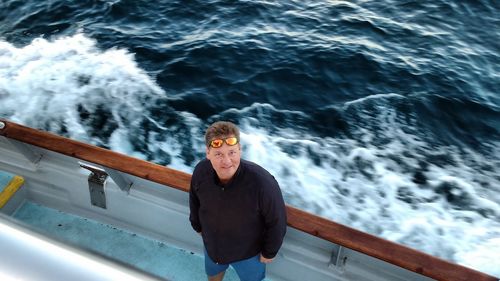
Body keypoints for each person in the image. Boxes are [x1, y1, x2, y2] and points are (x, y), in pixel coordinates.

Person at [189, 121, 287, 281]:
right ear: (208, 153)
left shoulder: (262, 184)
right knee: (213, 277)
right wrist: (197, 225)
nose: (227, 161)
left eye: (232, 152)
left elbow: (277, 221)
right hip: (212, 248)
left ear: (240, 150)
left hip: (248, 254)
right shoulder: (201, 172)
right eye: (219, 154)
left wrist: (269, 251)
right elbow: (194, 199)